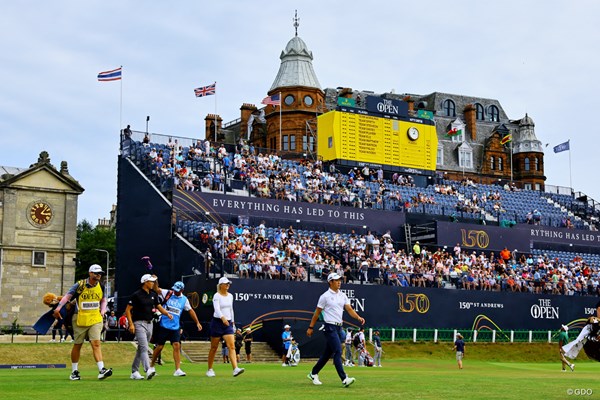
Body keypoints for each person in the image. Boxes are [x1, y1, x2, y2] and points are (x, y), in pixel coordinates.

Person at [52, 264, 113, 381]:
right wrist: (58, 308)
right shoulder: (80, 285)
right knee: (78, 344)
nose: (98, 275)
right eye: (96, 273)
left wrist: (103, 310)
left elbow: (103, 299)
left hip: (95, 318)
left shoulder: (101, 286)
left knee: (96, 343)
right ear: (90, 273)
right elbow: (67, 297)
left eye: (100, 273)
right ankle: (74, 371)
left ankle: (101, 370)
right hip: (80, 318)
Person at [306, 272, 365, 388]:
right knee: (338, 351)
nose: (339, 282)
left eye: (340, 280)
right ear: (330, 282)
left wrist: (358, 317)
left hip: (338, 327)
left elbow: (349, 309)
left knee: (327, 354)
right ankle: (344, 379)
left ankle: (313, 373)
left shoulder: (343, 295)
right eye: (336, 280)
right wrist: (310, 327)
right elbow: (317, 313)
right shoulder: (325, 296)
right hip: (329, 327)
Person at [150, 281, 203, 377]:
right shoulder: (168, 293)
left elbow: (191, 311)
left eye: (177, 290)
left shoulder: (184, 299)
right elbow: (156, 289)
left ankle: (178, 369)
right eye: (174, 289)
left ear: (182, 290)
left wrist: (197, 322)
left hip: (175, 326)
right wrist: (156, 281)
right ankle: (152, 366)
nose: (175, 291)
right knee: (160, 346)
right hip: (164, 324)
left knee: (176, 345)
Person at [126, 274, 173, 380]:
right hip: (139, 323)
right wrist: (131, 324)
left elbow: (159, 306)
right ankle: (148, 370)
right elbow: (128, 310)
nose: (153, 283)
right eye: (151, 281)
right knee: (144, 347)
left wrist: (167, 314)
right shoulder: (136, 295)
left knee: (141, 348)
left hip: (150, 323)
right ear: (145, 282)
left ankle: (134, 371)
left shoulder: (153, 294)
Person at [206, 276, 245, 377]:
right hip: (217, 323)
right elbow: (217, 309)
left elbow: (231, 309)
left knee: (231, 346)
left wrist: (232, 322)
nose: (228, 285)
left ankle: (235, 368)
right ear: (221, 285)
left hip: (228, 324)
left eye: (229, 284)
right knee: (214, 347)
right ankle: (209, 369)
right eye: (226, 284)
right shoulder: (216, 296)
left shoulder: (230, 296)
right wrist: (222, 318)